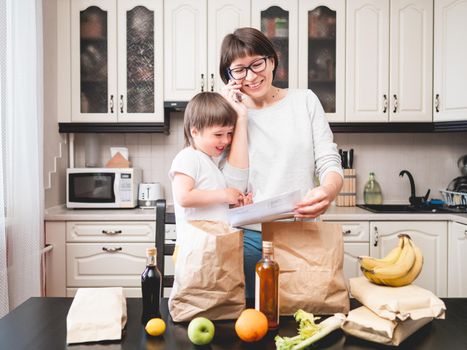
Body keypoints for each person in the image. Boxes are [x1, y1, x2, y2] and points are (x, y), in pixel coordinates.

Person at [219, 27, 344, 298]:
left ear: (272, 61)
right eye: (239, 70)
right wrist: (240, 117)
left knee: (306, 316)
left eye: (257, 64)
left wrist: (328, 190)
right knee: (254, 323)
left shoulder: (305, 101)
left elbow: (328, 159)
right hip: (248, 238)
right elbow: (232, 187)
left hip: (302, 231)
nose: (251, 76)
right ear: (229, 77)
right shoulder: (226, 117)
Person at [169, 91, 250, 251]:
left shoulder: (209, 162)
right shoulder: (187, 156)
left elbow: (211, 204)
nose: (226, 140)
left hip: (211, 248)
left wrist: (234, 204)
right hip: (195, 249)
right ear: (195, 132)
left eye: (229, 133)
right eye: (218, 134)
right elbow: (184, 197)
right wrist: (224, 195)